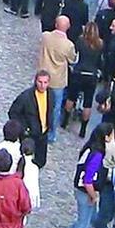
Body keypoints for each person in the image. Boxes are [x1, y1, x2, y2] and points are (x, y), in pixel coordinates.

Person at [39, 15, 79, 143]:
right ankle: (51, 133)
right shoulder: (68, 45)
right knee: (55, 108)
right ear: (68, 27)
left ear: (56, 24)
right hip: (57, 80)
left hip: (43, 75)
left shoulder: (46, 36)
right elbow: (73, 60)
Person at [65, 21, 105, 137]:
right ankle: (83, 129)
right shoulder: (100, 44)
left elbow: (75, 55)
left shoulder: (80, 41)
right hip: (91, 75)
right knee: (88, 103)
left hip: (79, 72)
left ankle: (65, 121)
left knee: (71, 97)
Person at [9, 70, 54, 167]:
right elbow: (13, 112)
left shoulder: (51, 94)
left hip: (43, 133)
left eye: (45, 82)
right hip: (29, 134)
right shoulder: (26, 96)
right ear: (35, 81)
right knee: (25, 160)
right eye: (40, 82)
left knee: (41, 160)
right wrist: (24, 129)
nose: (42, 85)